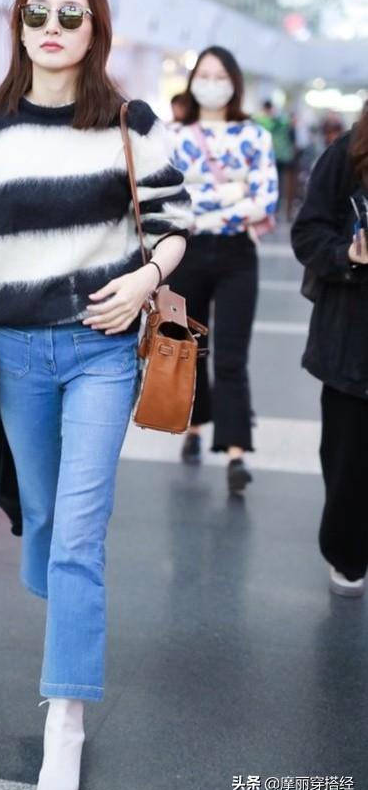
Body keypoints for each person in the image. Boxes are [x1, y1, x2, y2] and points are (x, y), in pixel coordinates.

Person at [0, 0, 191, 790]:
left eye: (70, 15)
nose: (51, 26)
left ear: (95, 30)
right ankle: (69, 618)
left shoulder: (127, 121)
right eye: (36, 12)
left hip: (100, 354)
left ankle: (65, 716)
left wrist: (144, 279)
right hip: (14, 354)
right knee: (43, 520)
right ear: (18, 25)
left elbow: (173, 224)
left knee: (78, 536)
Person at [168, 46, 278, 493]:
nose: (211, 84)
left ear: (235, 83)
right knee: (190, 348)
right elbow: (168, 198)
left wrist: (202, 204)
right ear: (193, 81)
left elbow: (264, 200)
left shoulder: (255, 135)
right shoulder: (172, 135)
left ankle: (236, 452)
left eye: (220, 76)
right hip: (185, 252)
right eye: (204, 75)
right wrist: (233, 193)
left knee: (232, 355)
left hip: (237, 255)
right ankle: (194, 428)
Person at [291, 113, 368, 598]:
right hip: (352, 341)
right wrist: (349, 255)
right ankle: (348, 552)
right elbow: (308, 233)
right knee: (347, 458)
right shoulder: (348, 154)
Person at [257, 99, 297, 220]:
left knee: (268, 184)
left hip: (267, 158)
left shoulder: (260, 122)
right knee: (280, 184)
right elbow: (292, 137)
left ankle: (272, 210)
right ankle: (278, 209)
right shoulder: (282, 121)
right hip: (283, 157)